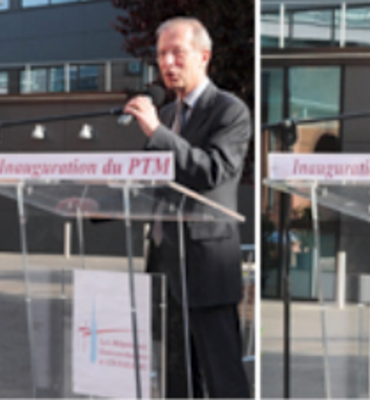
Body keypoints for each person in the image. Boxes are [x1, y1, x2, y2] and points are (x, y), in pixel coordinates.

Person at [123, 17, 251, 398]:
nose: (167, 63)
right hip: (166, 269)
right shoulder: (164, 116)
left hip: (207, 267)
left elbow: (211, 171)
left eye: (177, 53)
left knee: (223, 381)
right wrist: (94, 204)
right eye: (161, 54)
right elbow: (150, 185)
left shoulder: (230, 112)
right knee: (177, 382)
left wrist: (157, 135)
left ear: (204, 56)